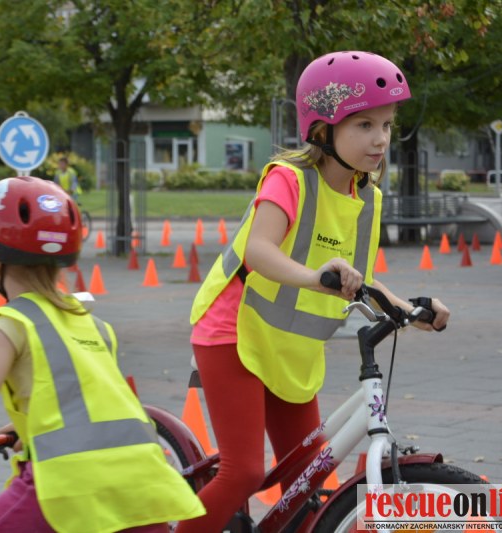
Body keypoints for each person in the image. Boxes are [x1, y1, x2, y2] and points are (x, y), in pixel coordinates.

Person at [176, 51, 450, 533]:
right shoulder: (289, 178)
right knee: (244, 472)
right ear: (323, 128)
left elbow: (360, 279)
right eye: (364, 124)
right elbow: (259, 250)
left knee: (310, 479)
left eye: (387, 124)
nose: (381, 138)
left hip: (291, 347)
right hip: (232, 331)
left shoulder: (367, 198)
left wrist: (413, 309)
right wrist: (314, 275)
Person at [0, 176, 204, 532]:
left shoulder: (14, 322)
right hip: (142, 482)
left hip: (65, 485)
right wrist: (31, 425)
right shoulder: (94, 324)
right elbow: (85, 401)